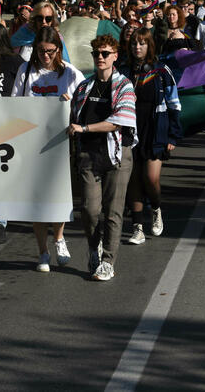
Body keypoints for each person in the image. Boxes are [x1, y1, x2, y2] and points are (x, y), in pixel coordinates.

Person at [11, 27, 84, 271]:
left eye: (51, 51)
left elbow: (84, 105)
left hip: (61, 143)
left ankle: (59, 238)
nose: (45, 56)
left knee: (59, 194)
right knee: (37, 199)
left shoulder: (71, 74)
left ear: (59, 50)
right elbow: (14, 105)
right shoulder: (26, 70)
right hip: (32, 144)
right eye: (41, 51)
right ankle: (42, 252)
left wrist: (70, 104)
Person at [68, 34, 137, 281]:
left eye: (105, 53)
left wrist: (85, 129)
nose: (100, 57)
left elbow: (121, 120)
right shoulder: (84, 86)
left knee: (113, 212)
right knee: (89, 209)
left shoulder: (124, 85)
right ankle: (93, 247)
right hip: (88, 154)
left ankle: (108, 261)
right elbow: (72, 117)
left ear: (115, 56)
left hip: (116, 155)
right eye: (96, 53)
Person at [121, 28, 181, 245]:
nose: (138, 47)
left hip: (155, 129)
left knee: (151, 178)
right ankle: (137, 227)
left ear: (150, 46)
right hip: (130, 130)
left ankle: (156, 208)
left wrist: (173, 136)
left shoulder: (162, 71)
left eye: (143, 43)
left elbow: (174, 104)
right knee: (133, 180)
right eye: (135, 43)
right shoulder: (123, 70)